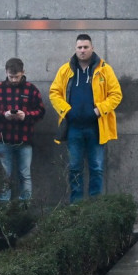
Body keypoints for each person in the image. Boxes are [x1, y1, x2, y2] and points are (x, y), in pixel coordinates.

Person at [50, 34, 123, 203]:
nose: (82, 51)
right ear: (75, 49)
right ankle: (76, 206)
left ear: (92, 48)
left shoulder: (104, 69)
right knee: (75, 168)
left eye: (85, 47)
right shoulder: (65, 70)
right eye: (79, 47)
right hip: (73, 128)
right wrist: (66, 110)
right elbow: (54, 93)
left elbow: (116, 95)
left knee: (96, 168)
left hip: (97, 127)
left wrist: (99, 111)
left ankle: (95, 206)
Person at [0, 58, 45, 201]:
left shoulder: (31, 90)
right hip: (3, 139)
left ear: (23, 73)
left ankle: (24, 208)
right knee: (4, 176)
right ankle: (4, 208)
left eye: (17, 77)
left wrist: (25, 115)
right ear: (6, 73)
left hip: (24, 140)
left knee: (25, 175)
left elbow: (41, 112)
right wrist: (3, 115)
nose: (13, 80)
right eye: (11, 76)